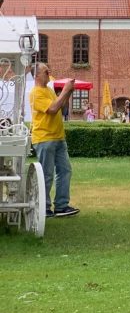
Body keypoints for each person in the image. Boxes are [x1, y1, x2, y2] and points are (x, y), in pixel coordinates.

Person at [29, 63, 80, 218]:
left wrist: (68, 92)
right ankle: (44, 207)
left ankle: (61, 206)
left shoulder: (49, 90)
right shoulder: (36, 93)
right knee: (47, 174)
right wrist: (65, 90)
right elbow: (51, 109)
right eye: (46, 71)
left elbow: (60, 106)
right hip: (44, 138)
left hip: (58, 137)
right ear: (37, 75)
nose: (49, 73)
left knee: (65, 170)